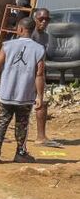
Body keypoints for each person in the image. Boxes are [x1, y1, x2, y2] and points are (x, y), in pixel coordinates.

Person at [0, 16, 46, 164]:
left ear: (20, 29)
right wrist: (40, 96)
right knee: (22, 124)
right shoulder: (39, 49)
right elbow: (39, 74)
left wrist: (4, 77)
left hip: (6, 92)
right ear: (32, 30)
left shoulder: (8, 45)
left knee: (2, 122)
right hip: (25, 95)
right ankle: (20, 153)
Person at [30, 8, 60, 148]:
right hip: (26, 72)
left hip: (39, 73)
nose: (44, 22)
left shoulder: (46, 37)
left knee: (41, 101)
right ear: (35, 18)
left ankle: (41, 137)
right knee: (11, 102)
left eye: (47, 19)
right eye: (41, 19)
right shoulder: (29, 33)